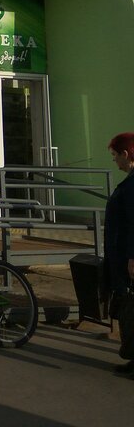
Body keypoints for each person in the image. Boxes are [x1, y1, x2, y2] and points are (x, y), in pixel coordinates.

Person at [105, 132, 134, 375]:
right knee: (128, 307)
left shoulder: (132, 185)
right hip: (123, 254)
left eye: (115, 155)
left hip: (129, 255)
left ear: (126, 154)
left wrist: (133, 258)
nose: (114, 160)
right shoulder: (129, 182)